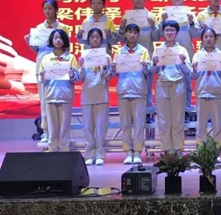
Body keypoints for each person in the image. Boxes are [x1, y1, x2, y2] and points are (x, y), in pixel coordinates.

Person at [24, 0, 69, 143]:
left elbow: (66, 48)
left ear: (56, 10)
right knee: (44, 101)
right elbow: (38, 50)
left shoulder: (63, 28)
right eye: (45, 9)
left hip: (59, 67)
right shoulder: (39, 29)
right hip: (43, 67)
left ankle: (59, 132)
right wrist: (29, 43)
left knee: (59, 101)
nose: (47, 11)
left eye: (50, 8)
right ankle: (46, 131)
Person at [112, 23, 152, 165]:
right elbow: (113, 73)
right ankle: (128, 152)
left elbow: (149, 71)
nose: (132, 35)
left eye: (135, 32)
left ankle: (138, 152)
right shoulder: (119, 52)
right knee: (126, 125)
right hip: (123, 90)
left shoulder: (143, 51)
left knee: (139, 125)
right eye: (130, 32)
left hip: (139, 90)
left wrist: (146, 66)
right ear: (125, 34)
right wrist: (113, 68)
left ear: (138, 35)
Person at [118, 0, 159, 123]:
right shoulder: (126, 16)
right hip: (128, 56)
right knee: (129, 85)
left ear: (145, 0)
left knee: (146, 86)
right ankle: (130, 113)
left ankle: (148, 112)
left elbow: (156, 37)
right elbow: (121, 39)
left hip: (145, 56)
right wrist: (122, 28)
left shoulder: (151, 16)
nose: (139, 0)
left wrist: (153, 27)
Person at [191, 28, 221, 162]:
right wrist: (194, 69)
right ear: (202, 39)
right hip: (202, 93)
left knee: (217, 126)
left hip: (216, 93)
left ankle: (216, 152)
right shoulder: (197, 55)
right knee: (201, 126)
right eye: (206, 37)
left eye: (211, 36)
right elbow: (192, 76)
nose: (208, 39)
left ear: (215, 38)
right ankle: (201, 152)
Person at [153, 20, 191, 157]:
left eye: (172, 30)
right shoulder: (158, 50)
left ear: (177, 32)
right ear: (163, 32)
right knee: (163, 120)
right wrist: (154, 64)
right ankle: (167, 150)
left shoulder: (182, 50)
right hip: (162, 84)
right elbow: (152, 71)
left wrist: (184, 62)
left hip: (178, 84)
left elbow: (188, 71)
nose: (169, 33)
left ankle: (178, 149)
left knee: (178, 119)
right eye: (167, 30)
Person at [160, 0, 197, 121]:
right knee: (168, 84)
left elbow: (196, 34)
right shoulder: (164, 13)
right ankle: (170, 113)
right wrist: (162, 22)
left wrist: (191, 22)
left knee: (186, 84)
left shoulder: (190, 13)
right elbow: (159, 35)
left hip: (185, 53)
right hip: (168, 54)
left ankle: (186, 111)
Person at [39, 29, 79, 152]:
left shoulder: (70, 57)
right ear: (51, 40)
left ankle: (64, 149)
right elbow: (42, 80)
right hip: (50, 95)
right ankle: (52, 149)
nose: (58, 40)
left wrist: (72, 75)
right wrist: (42, 76)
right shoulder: (46, 58)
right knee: (52, 127)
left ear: (64, 40)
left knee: (65, 126)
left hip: (65, 96)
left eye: (60, 38)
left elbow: (77, 78)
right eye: (55, 38)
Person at [78, 28, 112, 166]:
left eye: (97, 37)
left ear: (101, 39)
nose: (95, 39)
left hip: (101, 94)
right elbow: (81, 78)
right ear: (88, 40)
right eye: (92, 37)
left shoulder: (107, 56)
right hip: (87, 94)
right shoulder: (84, 56)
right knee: (87, 127)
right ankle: (89, 154)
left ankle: (100, 155)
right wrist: (81, 67)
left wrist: (104, 67)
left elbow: (108, 77)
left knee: (101, 127)